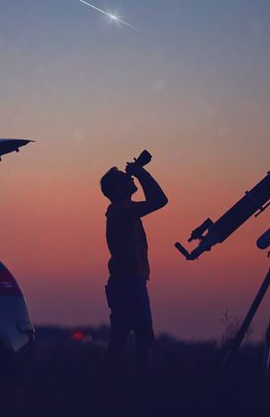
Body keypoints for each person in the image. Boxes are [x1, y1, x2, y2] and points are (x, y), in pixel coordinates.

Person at [99, 154, 168, 404]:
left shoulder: (121, 210)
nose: (128, 179)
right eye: (123, 178)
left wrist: (138, 172)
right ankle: (142, 398)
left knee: (117, 343)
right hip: (129, 283)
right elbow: (161, 200)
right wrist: (140, 171)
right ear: (117, 188)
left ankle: (98, 392)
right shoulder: (123, 209)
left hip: (121, 282)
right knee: (146, 339)